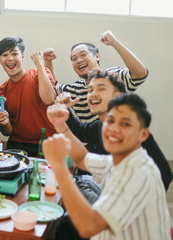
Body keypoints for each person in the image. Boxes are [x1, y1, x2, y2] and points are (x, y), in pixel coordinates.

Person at [43, 93, 170, 240]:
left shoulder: (138, 172)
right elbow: (82, 158)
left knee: (65, 226)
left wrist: (59, 166)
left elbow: (88, 227)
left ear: (143, 135)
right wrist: (60, 124)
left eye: (125, 124)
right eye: (110, 121)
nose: (113, 129)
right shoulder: (121, 159)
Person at [58, 70, 172, 190]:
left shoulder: (130, 130)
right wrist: (65, 110)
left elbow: (165, 175)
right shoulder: (100, 125)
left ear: (117, 96)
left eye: (101, 89)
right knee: (78, 180)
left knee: (77, 185)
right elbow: (79, 131)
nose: (93, 94)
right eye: (90, 90)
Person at [44, 30, 148, 123]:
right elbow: (52, 88)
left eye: (83, 54)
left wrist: (114, 42)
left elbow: (140, 74)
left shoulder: (113, 76)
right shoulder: (74, 89)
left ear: (97, 56)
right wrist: (47, 61)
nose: (79, 60)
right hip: (91, 141)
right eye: (74, 58)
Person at [0, 37, 57, 157]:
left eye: (14, 54)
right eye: (5, 55)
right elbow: (7, 132)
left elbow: (49, 99)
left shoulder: (40, 73)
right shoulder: (1, 91)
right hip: (17, 145)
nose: (10, 58)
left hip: (48, 142)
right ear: (0, 60)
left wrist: (40, 64)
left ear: (22, 56)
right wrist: (4, 122)